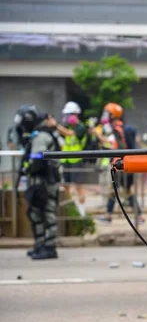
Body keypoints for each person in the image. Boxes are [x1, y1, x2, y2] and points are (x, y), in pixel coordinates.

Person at [16, 106, 61, 260]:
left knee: (47, 213)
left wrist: (26, 169)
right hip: (40, 181)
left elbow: (37, 161)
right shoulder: (38, 135)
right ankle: (41, 245)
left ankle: (49, 247)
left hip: (45, 182)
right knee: (35, 213)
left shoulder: (41, 136)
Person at [96, 103, 143, 224]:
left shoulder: (117, 128)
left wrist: (107, 149)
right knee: (126, 191)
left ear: (113, 115)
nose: (105, 116)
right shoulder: (120, 127)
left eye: (108, 113)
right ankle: (138, 216)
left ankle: (108, 215)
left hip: (120, 166)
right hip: (124, 165)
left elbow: (120, 148)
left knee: (114, 190)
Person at [59, 101, 88, 217]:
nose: (67, 117)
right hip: (65, 160)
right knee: (65, 186)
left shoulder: (80, 127)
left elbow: (70, 134)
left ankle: (82, 213)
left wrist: (56, 125)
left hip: (76, 160)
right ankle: (69, 211)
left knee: (78, 186)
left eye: (69, 114)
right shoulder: (67, 126)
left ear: (76, 114)